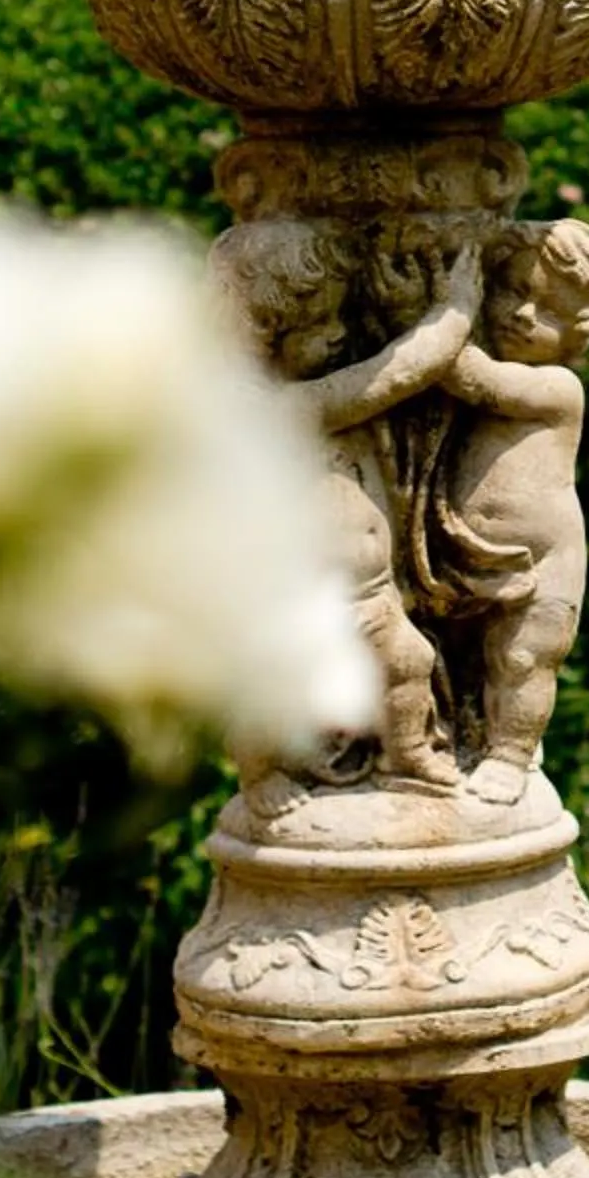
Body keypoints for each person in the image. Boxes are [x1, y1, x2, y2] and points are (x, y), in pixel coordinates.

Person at [214, 223, 480, 793]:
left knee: (408, 664)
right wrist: (453, 314)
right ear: (262, 331)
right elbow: (392, 378)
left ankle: (406, 754)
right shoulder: (273, 407)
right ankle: (263, 781)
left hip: (371, 593)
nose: (338, 335)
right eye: (318, 324)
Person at [434, 220, 589, 803]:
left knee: (524, 660)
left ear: (577, 330)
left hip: (543, 562)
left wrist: (446, 307)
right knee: (462, 659)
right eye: (512, 290)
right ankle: (471, 736)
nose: (524, 315)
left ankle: (511, 755)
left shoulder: (558, 388)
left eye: (550, 310)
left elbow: (471, 378)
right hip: (467, 556)